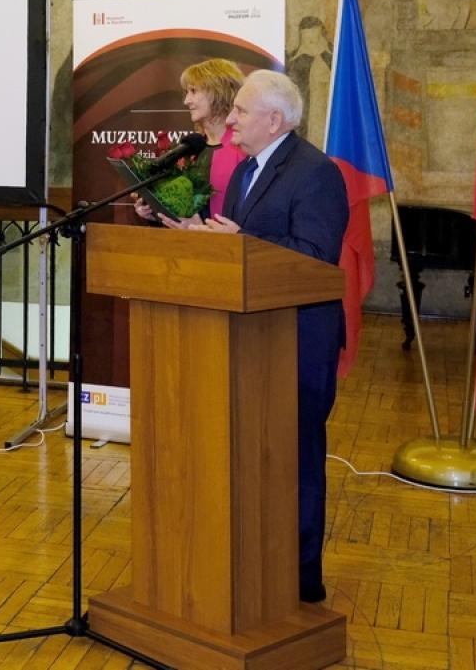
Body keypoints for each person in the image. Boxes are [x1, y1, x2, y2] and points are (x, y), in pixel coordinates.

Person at [156, 69, 349, 603]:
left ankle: (301, 576)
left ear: (274, 119)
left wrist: (246, 239)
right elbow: (239, 250)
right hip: (251, 337)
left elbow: (315, 257)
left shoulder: (317, 173)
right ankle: (253, 563)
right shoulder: (245, 172)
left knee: (295, 457)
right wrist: (200, 235)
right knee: (251, 456)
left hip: (299, 341)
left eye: (240, 111)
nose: (231, 119)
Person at [179, 58, 248, 218]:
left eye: (194, 91)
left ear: (219, 92)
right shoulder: (192, 147)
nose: (186, 101)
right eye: (187, 92)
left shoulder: (246, 149)